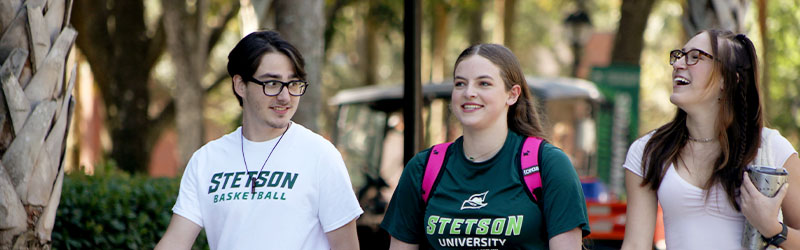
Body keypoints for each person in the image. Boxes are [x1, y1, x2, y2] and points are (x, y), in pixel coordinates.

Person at [155, 31, 362, 250]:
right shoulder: (206, 160)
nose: (285, 97)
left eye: (293, 84)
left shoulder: (321, 156)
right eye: (272, 83)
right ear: (240, 85)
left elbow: (346, 246)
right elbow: (176, 241)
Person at [380, 44, 590, 249]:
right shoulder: (423, 169)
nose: (469, 92)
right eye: (460, 83)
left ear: (512, 94)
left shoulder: (548, 165)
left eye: (484, 84)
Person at [621, 29, 800, 250]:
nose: (678, 65)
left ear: (727, 79)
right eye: (679, 55)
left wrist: (772, 228)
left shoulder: (772, 148)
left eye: (695, 57)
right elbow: (636, 244)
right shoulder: (648, 151)